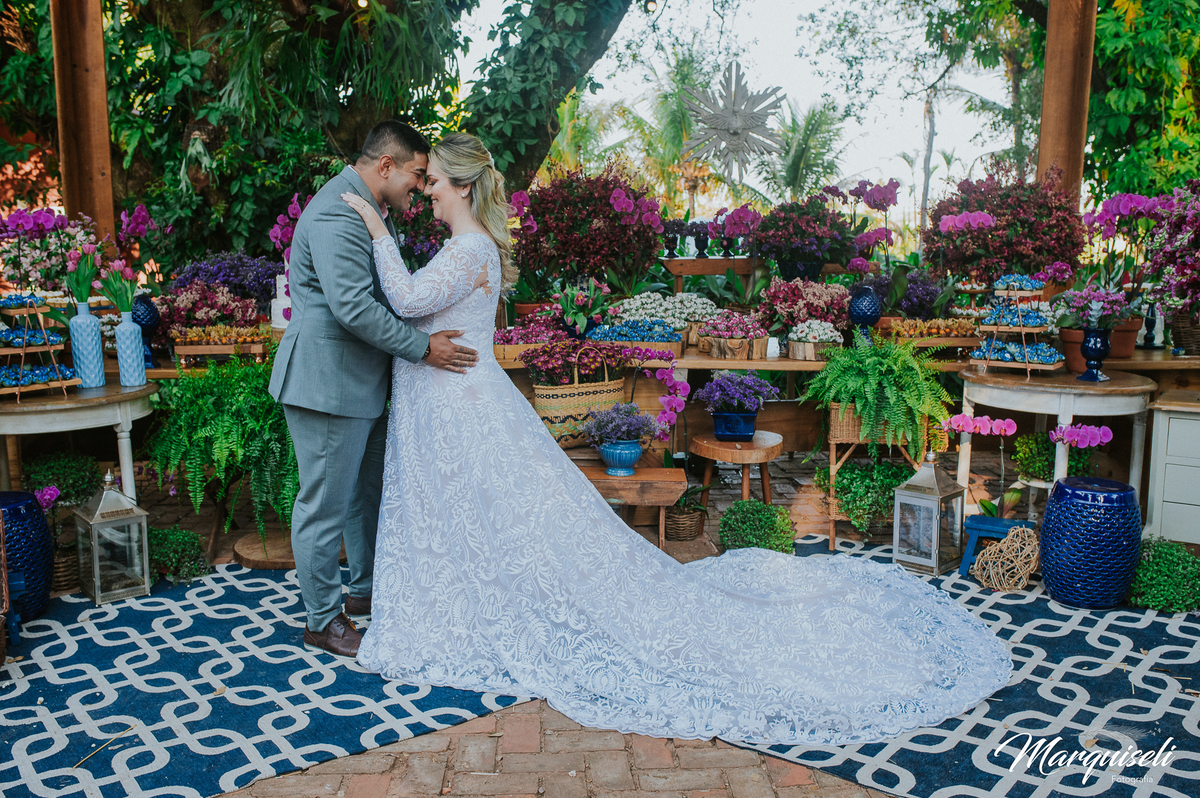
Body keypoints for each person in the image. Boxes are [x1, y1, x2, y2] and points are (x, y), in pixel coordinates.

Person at [341, 131, 1011, 745]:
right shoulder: (465, 247)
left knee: (497, 520)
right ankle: (462, 606)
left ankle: (488, 612)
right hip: (447, 404)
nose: (423, 190)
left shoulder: (468, 248)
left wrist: (373, 226)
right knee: (471, 518)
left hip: (461, 406)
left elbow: (402, 300)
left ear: (460, 186)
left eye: (433, 181)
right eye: (420, 181)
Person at [268, 120, 479, 659]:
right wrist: (422, 346)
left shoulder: (365, 208)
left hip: (358, 382)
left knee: (364, 497)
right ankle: (321, 619)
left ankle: (363, 592)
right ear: (385, 165)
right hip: (327, 382)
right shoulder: (340, 211)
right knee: (323, 505)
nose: (420, 185)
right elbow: (354, 308)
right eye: (415, 173)